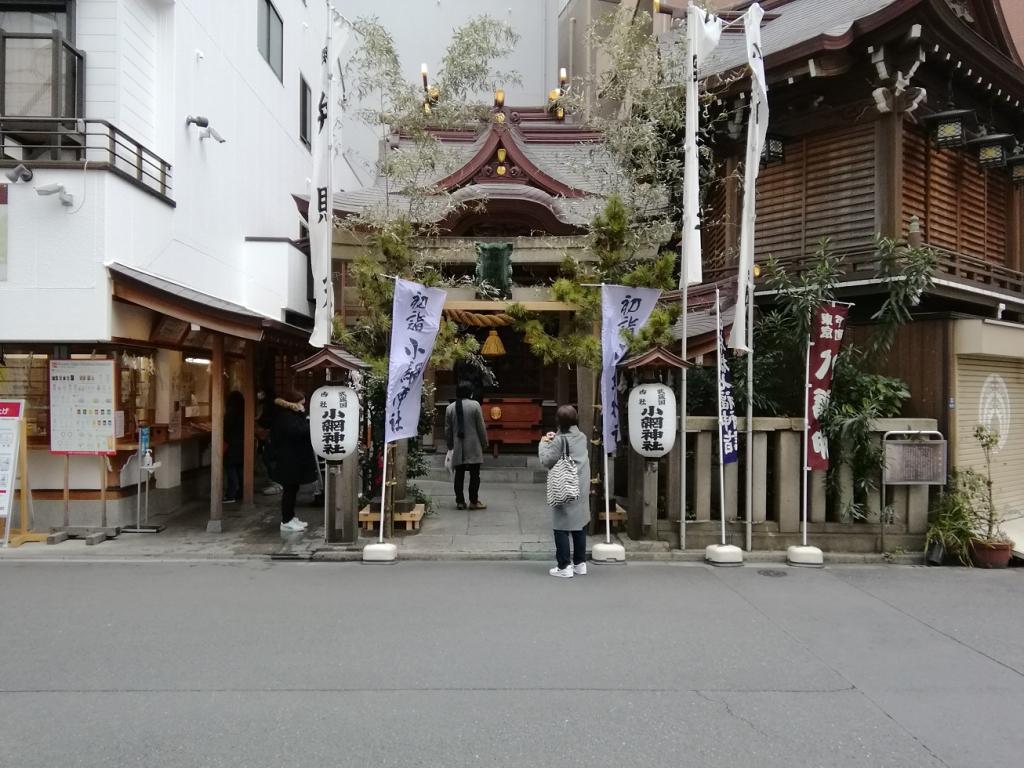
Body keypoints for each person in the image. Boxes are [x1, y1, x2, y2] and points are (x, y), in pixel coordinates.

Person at [538, 405, 590, 578]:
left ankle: (564, 566)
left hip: (565, 485)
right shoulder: (582, 437)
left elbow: (547, 460)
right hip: (581, 485)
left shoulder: (560, 441)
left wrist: (544, 442)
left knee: (561, 526)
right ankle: (580, 563)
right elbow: (568, 443)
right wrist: (556, 436)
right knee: (580, 523)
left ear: (559, 421)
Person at [269, 388, 317, 532]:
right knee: (289, 490)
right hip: (288, 459)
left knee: (293, 489)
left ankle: (291, 517)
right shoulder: (286, 417)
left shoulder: (289, 415)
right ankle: (286, 520)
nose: (303, 406)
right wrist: (308, 423)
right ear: (294, 403)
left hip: (292, 458)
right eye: (302, 403)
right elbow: (298, 432)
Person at [445, 381, 489, 510]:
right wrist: (484, 443)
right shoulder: (475, 405)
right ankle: (474, 501)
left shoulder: (450, 408)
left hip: (458, 446)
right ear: (470, 392)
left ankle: (460, 501)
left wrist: (450, 445)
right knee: (475, 474)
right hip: (473, 445)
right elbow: (481, 427)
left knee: (459, 474)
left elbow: (447, 430)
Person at [223, 390, 244, 503]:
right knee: (240, 468)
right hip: (242, 444)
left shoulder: (231, 412)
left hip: (231, 444)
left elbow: (225, 428)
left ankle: (231, 494)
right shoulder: (244, 412)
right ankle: (240, 492)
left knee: (230, 467)